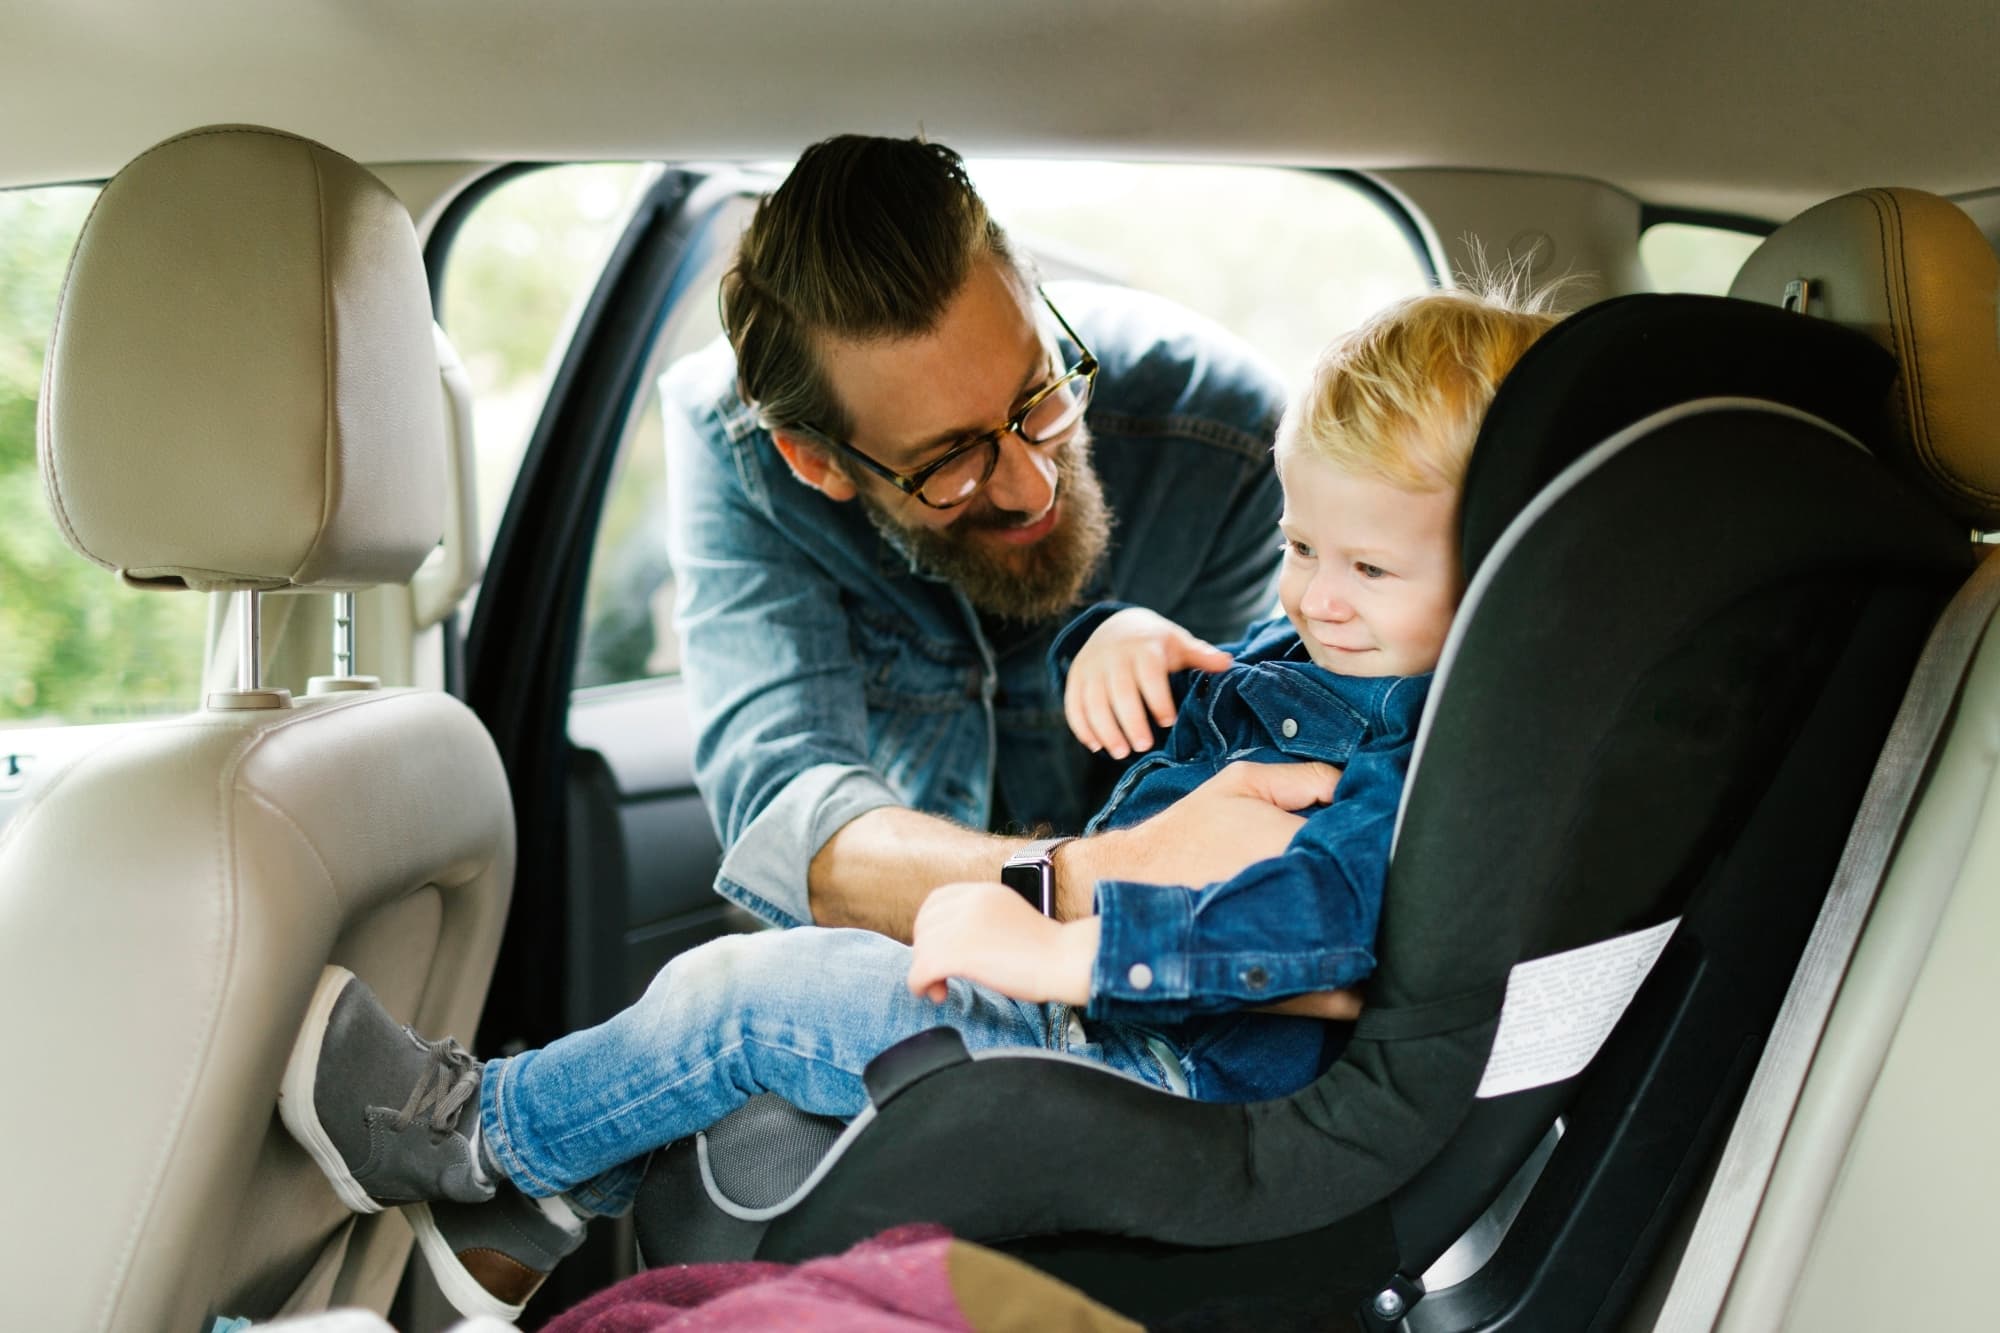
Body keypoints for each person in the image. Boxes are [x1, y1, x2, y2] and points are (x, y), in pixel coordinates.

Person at [278, 285, 1563, 1320]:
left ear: (1501, 568)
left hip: (1157, 1064)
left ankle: (463, 1142)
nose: (1310, 598)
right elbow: (1211, 705)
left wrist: (1067, 942)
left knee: (742, 1001)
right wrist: (1107, 640)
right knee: (745, 997)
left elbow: (1323, 940)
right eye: (1296, 548)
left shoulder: (1413, 750)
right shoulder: (1353, 653)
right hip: (1131, 1025)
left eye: (1364, 565)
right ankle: (536, 1192)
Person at [661, 134, 1296, 939]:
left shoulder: (1228, 439)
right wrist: (1073, 882)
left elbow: (1249, 773)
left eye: (1040, 395)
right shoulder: (740, 457)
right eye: (951, 460)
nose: (1036, 486)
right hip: (886, 962)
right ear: (817, 462)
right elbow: (792, 816)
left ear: (1034, 294)